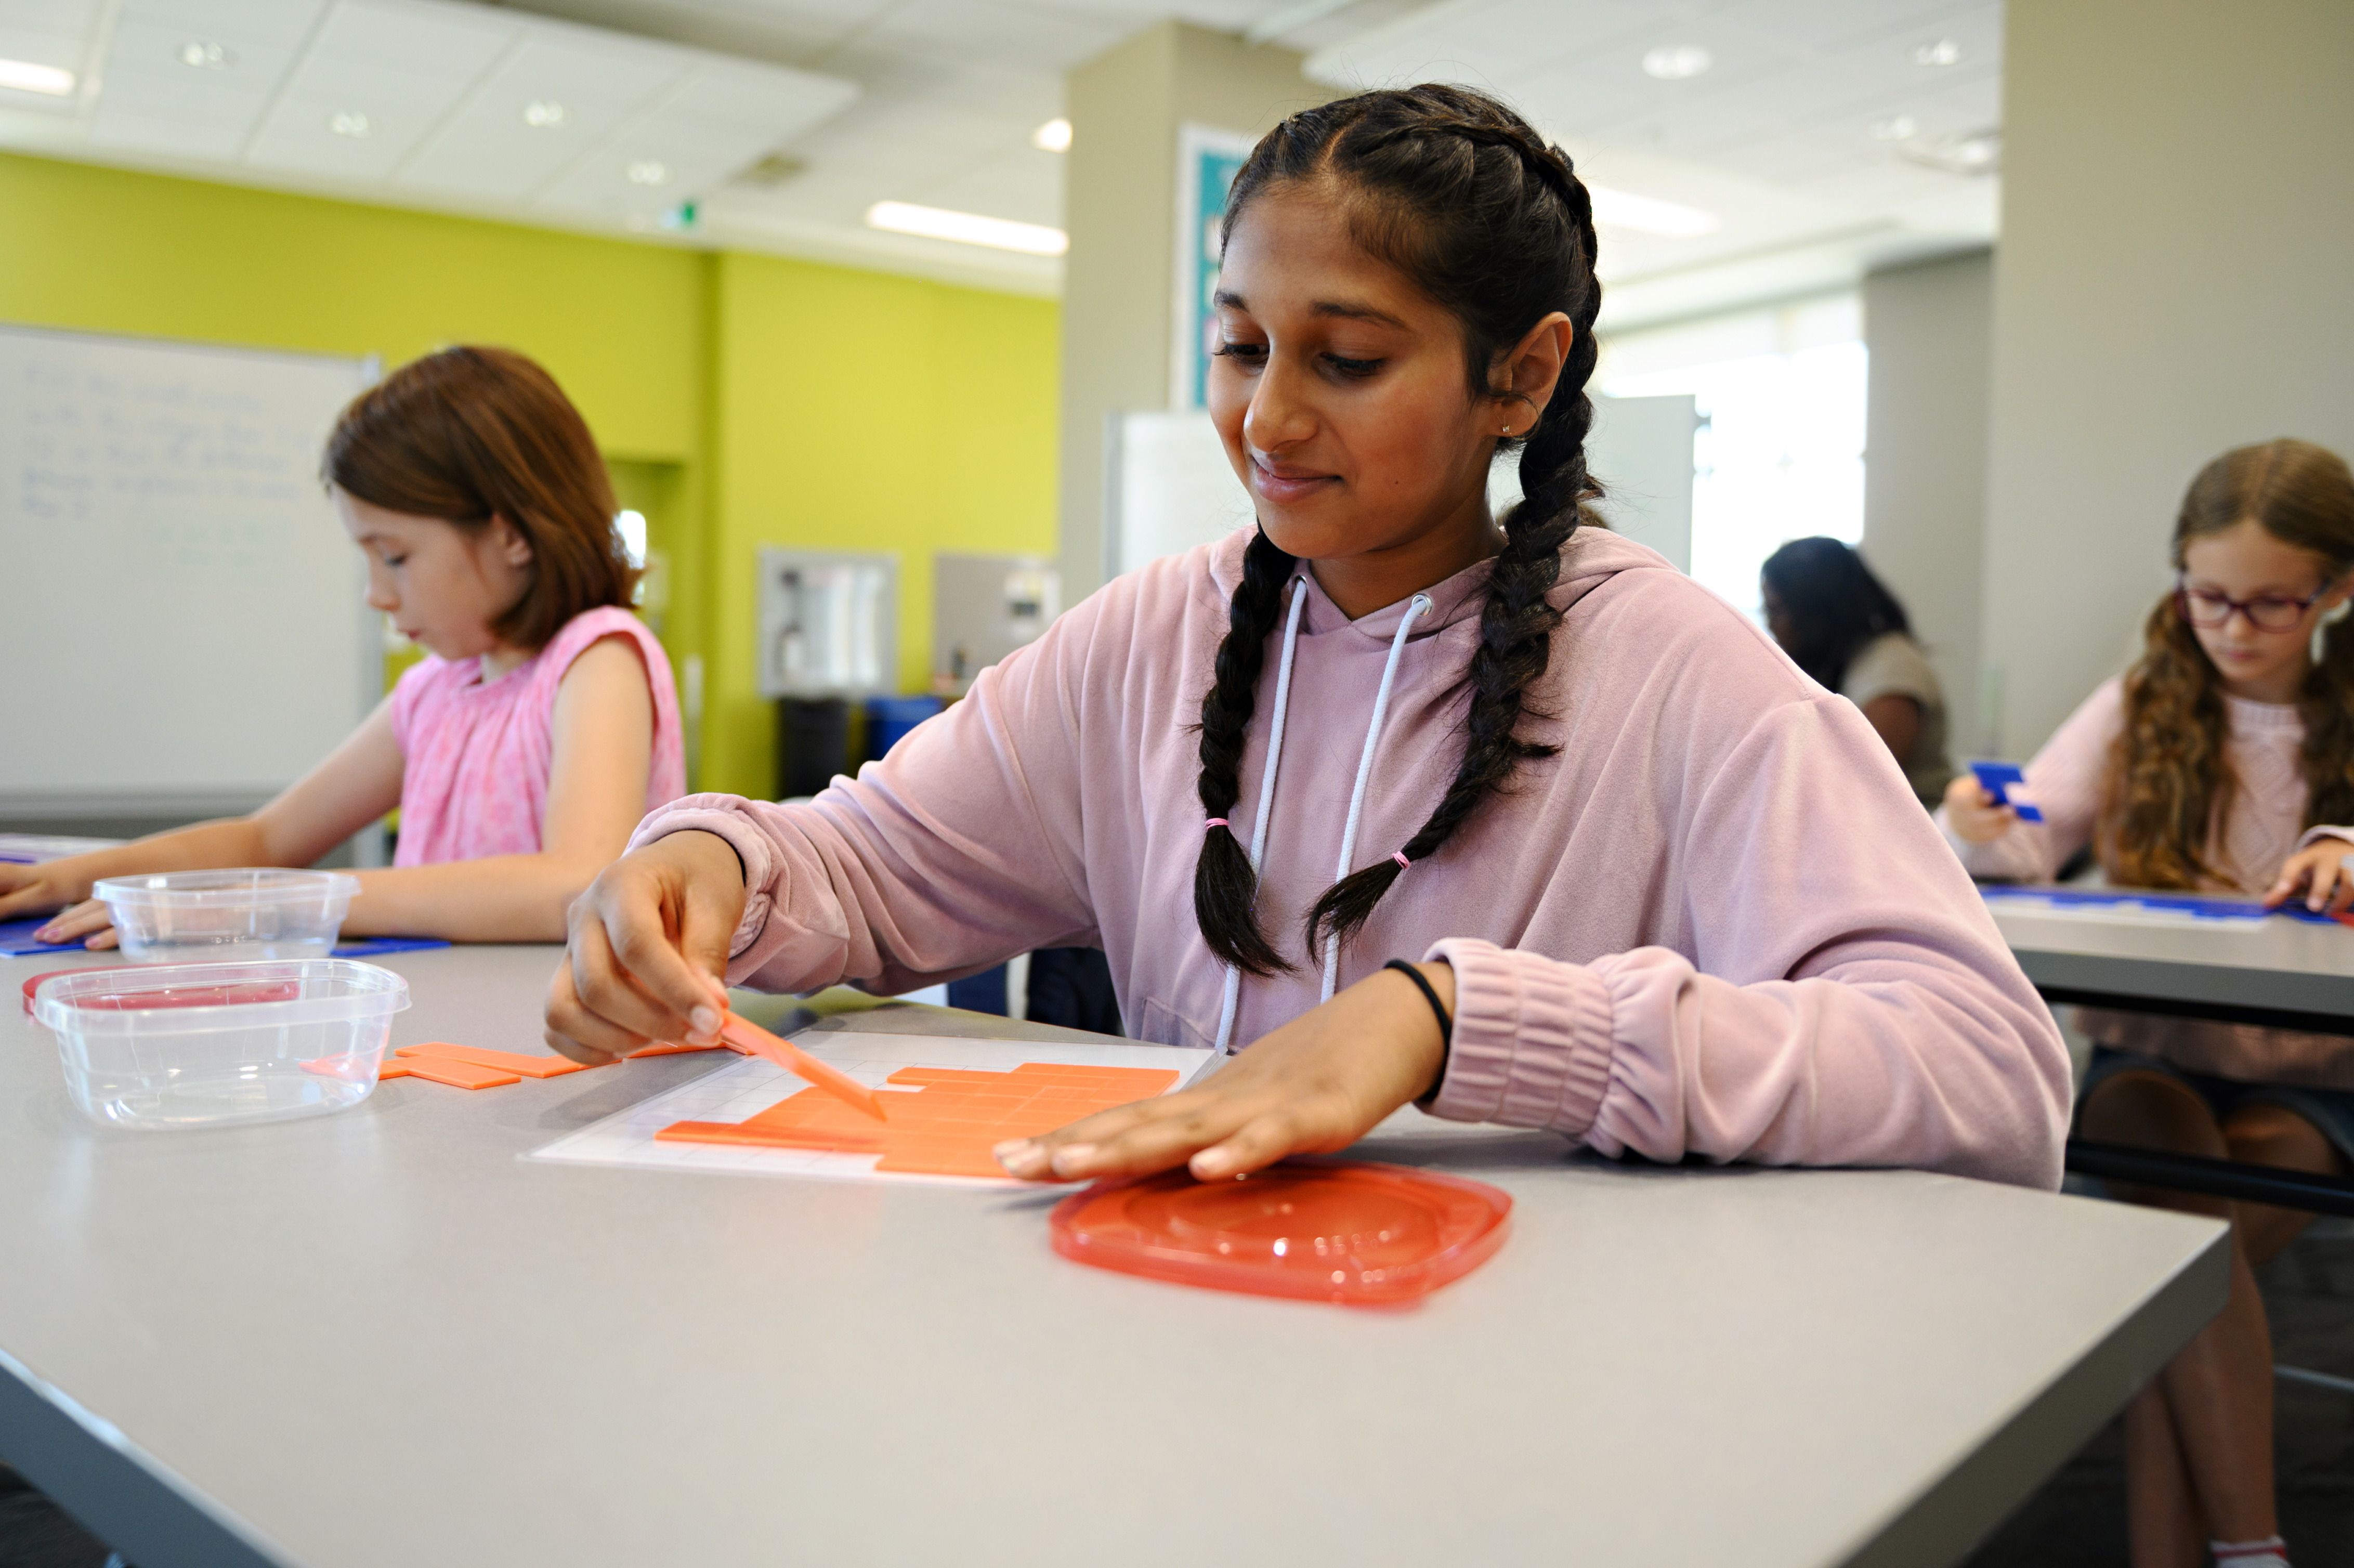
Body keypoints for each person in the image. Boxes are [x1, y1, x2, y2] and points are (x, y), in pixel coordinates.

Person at [545, 85, 2066, 1195]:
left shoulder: (1682, 676)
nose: (1267, 420)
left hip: (1531, 1378)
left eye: (1345, 358)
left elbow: (1986, 1069)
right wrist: (717, 871)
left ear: (1521, 378)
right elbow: (877, 862)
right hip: (1167, 1329)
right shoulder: (1157, 633)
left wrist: (1457, 1022)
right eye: (1239, 345)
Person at [1941, 438, 2354, 1568]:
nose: (2229, 625)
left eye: (2271, 602)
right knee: (2177, 1207)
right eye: (2204, 592)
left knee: (2171, 1271)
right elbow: (2025, 839)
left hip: (2314, 1077)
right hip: (2154, 1059)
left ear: (2337, 590)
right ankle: (2253, 1548)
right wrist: (1971, 825)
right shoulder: (2141, 697)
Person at [0, 346, 685, 946]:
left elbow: (571, 883)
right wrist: (74, 879)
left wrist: (276, 904)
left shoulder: (597, 659)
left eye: (393, 557)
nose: (376, 595)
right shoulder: (434, 691)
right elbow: (265, 840)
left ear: (512, 537)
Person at [1761, 535, 1954, 806]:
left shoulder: (1891, 672)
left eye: (1775, 611)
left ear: (1814, 611)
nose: (1771, 626)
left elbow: (1854, 783)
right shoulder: (1852, 661)